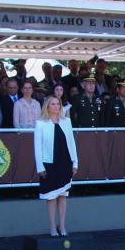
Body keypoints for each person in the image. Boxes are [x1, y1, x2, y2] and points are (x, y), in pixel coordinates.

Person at [34, 96, 78, 237]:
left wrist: (75, 163)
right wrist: (40, 167)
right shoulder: (41, 123)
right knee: (51, 197)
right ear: (47, 106)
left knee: (63, 195)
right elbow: (37, 147)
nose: (55, 106)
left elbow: (72, 143)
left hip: (65, 162)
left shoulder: (66, 122)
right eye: (52, 104)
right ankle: (52, 227)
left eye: (57, 104)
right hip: (49, 164)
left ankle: (62, 226)